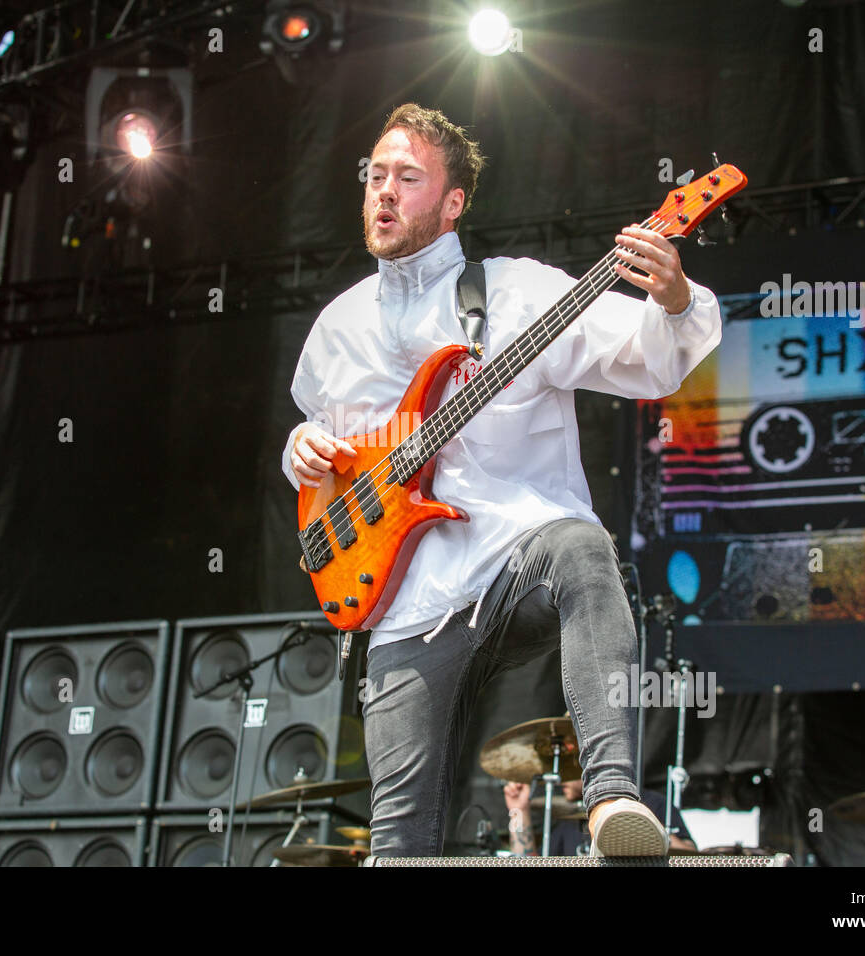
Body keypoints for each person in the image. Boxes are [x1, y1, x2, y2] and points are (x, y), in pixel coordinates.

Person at [281, 104, 722, 858]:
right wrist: (302, 449)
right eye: (376, 176)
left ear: (453, 203)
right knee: (399, 844)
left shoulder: (518, 293)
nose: (384, 191)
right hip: (403, 597)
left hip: (514, 555)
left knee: (583, 549)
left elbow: (650, 356)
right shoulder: (336, 327)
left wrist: (675, 300)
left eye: (409, 178)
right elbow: (333, 457)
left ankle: (615, 798)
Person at [504, 780, 698, 857]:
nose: (560, 778)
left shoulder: (652, 803)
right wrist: (519, 811)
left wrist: (646, 828)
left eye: (566, 763)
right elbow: (528, 860)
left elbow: (690, 855)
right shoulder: (568, 819)